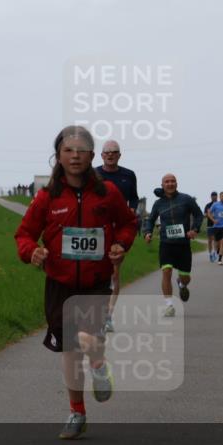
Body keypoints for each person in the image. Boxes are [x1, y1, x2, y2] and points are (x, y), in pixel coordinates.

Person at [15, 126, 138, 440]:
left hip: (95, 281)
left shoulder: (107, 193)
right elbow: (24, 234)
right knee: (69, 349)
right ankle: (77, 412)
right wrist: (32, 252)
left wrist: (121, 244)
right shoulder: (47, 197)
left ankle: (97, 365)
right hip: (60, 283)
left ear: (92, 156)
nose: (75, 156)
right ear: (58, 156)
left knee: (85, 335)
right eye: (68, 150)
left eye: (81, 150)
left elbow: (128, 223)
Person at [142, 174, 204, 317]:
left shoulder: (186, 199)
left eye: (172, 181)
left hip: (183, 244)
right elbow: (150, 220)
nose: (170, 184)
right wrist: (147, 232)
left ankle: (182, 284)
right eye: (167, 182)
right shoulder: (158, 203)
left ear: (176, 184)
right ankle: (169, 305)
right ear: (162, 185)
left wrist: (194, 229)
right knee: (166, 271)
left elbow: (199, 215)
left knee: (185, 277)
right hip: (166, 243)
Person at [95, 140, 139, 333]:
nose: (110, 155)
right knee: (96, 272)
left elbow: (134, 198)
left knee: (114, 273)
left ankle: (108, 316)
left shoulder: (128, 175)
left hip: (118, 229)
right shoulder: (94, 174)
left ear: (119, 155)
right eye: (107, 152)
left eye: (114, 152)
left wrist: (132, 209)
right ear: (101, 155)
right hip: (97, 228)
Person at [202, 191, 218, 262]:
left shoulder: (219, 204)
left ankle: (215, 253)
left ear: (217, 197)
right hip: (209, 224)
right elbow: (205, 214)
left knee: (216, 240)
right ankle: (210, 253)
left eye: (215, 196)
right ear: (211, 197)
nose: (214, 197)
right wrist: (209, 214)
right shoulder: (208, 205)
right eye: (213, 196)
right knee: (209, 240)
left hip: (217, 225)